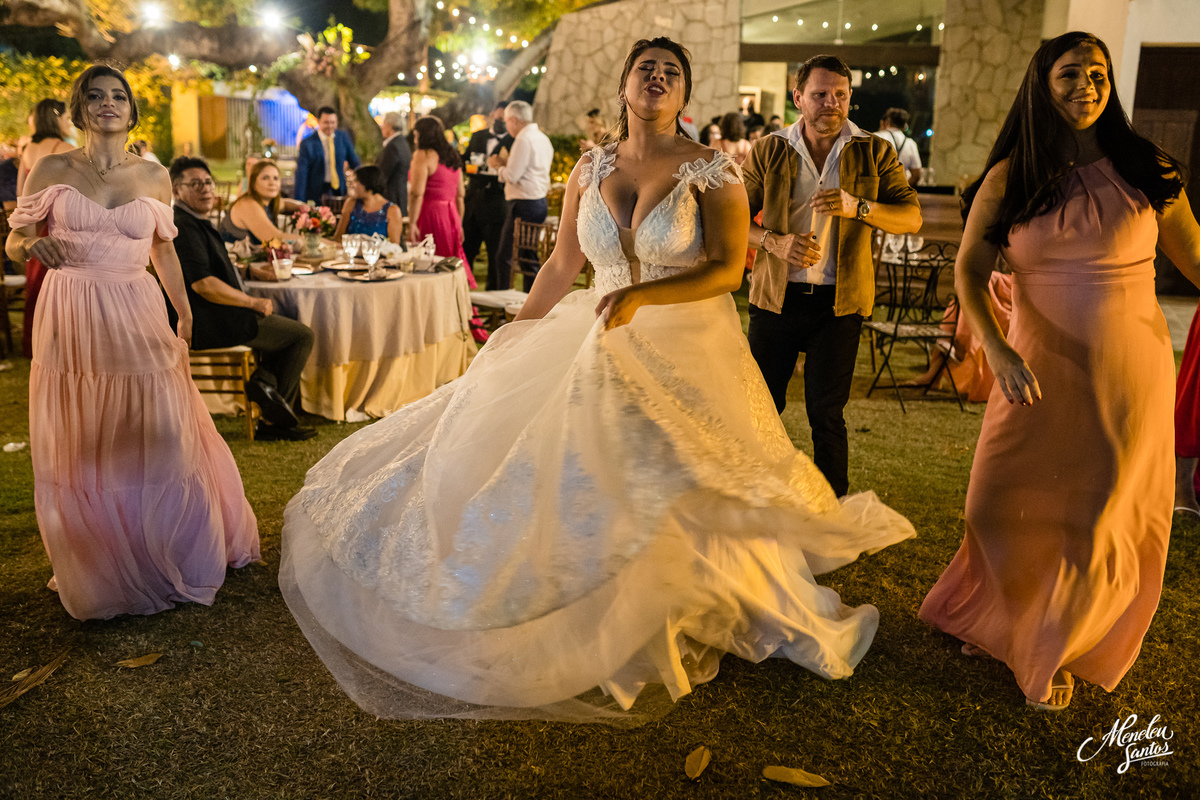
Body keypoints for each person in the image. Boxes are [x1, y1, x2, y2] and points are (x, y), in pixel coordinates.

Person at [278, 36, 914, 726]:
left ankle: (697, 600)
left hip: (683, 336)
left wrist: (645, 298)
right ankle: (577, 610)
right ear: (624, 86)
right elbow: (560, 265)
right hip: (595, 329)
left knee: (680, 472)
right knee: (574, 468)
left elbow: (729, 269)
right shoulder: (590, 166)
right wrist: (517, 329)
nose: (658, 78)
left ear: (685, 95)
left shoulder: (713, 171)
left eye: (672, 72)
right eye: (647, 69)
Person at [919, 32, 1200, 712]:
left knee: (1096, 513)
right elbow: (968, 272)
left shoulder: (1147, 170)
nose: (1087, 84)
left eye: (1098, 72)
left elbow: (1197, 261)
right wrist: (999, 348)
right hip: (1034, 366)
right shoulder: (1013, 176)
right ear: (1042, 86)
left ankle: (1059, 641)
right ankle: (1004, 617)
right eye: (1070, 73)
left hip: (1126, 372)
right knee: (998, 502)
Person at [5, 64, 260, 620]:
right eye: (94, 96)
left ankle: (167, 548)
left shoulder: (154, 176)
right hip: (70, 309)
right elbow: (15, 237)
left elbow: (163, 250)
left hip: (136, 305)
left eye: (117, 96)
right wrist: (30, 248)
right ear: (79, 108)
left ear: (131, 109)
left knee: (163, 426)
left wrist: (185, 312)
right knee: (86, 437)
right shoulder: (50, 167)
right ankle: (100, 563)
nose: (106, 104)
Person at [743, 54, 921, 497]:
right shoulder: (769, 148)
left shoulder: (875, 150)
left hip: (838, 305)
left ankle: (832, 518)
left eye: (840, 95)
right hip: (775, 298)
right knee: (762, 409)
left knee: (826, 414)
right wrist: (773, 242)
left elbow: (911, 217)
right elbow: (732, 221)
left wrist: (858, 206)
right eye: (820, 95)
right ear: (798, 97)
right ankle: (757, 500)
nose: (831, 103)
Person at [168, 155, 317, 441]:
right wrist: (252, 302)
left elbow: (212, 268)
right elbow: (203, 284)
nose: (205, 189)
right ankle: (274, 419)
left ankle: (263, 385)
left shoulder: (196, 220)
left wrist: (250, 271)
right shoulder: (183, 227)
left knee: (285, 329)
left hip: (221, 312)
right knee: (301, 336)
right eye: (195, 184)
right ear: (177, 191)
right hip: (212, 319)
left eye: (208, 182)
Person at [17, 99, 76, 358]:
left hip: (34, 230)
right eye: (67, 118)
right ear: (55, 118)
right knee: (61, 292)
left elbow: (22, 194)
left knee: (36, 289)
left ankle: (37, 346)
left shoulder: (29, 149)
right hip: (58, 228)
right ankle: (63, 346)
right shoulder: (64, 148)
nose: (70, 123)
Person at [489, 100, 553, 291]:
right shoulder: (542, 138)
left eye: (507, 121)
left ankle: (502, 304)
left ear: (514, 120)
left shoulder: (523, 139)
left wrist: (498, 167)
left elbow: (512, 175)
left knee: (505, 256)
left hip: (523, 203)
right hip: (538, 201)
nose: (506, 126)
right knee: (529, 257)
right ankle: (531, 302)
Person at [461, 101, 514, 282]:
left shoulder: (513, 140)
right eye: (498, 118)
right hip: (473, 201)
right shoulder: (478, 136)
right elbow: (466, 161)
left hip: (496, 204)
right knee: (466, 250)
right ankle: (464, 292)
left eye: (503, 119)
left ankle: (494, 296)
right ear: (492, 115)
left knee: (495, 254)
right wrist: (470, 168)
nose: (500, 122)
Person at [408, 116, 469, 267]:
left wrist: (412, 223)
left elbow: (417, 193)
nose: (415, 141)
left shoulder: (424, 155)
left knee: (428, 261)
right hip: (452, 214)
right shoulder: (452, 155)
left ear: (423, 135)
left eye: (416, 136)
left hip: (431, 213)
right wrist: (459, 224)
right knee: (449, 263)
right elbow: (460, 195)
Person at [220, 159, 306, 252]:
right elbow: (275, 237)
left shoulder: (268, 202)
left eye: (276, 178)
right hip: (233, 263)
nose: (272, 183)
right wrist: (315, 241)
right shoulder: (248, 204)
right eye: (265, 178)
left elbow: (286, 204)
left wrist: (308, 208)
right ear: (253, 183)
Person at [293, 106, 361, 204]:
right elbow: (302, 174)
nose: (330, 126)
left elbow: (354, 161)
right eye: (326, 122)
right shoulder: (307, 143)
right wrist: (299, 202)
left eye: (333, 122)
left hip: (339, 191)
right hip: (316, 192)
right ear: (318, 121)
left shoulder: (343, 137)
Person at [333, 165, 404, 244]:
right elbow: (338, 237)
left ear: (366, 182)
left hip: (380, 256)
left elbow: (394, 248)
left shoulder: (392, 210)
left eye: (356, 181)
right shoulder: (351, 203)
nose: (353, 185)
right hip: (350, 254)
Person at [375, 111, 412, 216]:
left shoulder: (393, 146)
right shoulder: (403, 143)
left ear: (389, 126)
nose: (382, 127)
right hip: (401, 196)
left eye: (383, 124)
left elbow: (383, 174)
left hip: (391, 198)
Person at [874, 108, 922, 187]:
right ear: (904, 125)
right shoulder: (910, 143)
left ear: (887, 122)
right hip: (899, 191)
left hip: (877, 191)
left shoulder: (876, 137)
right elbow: (916, 175)